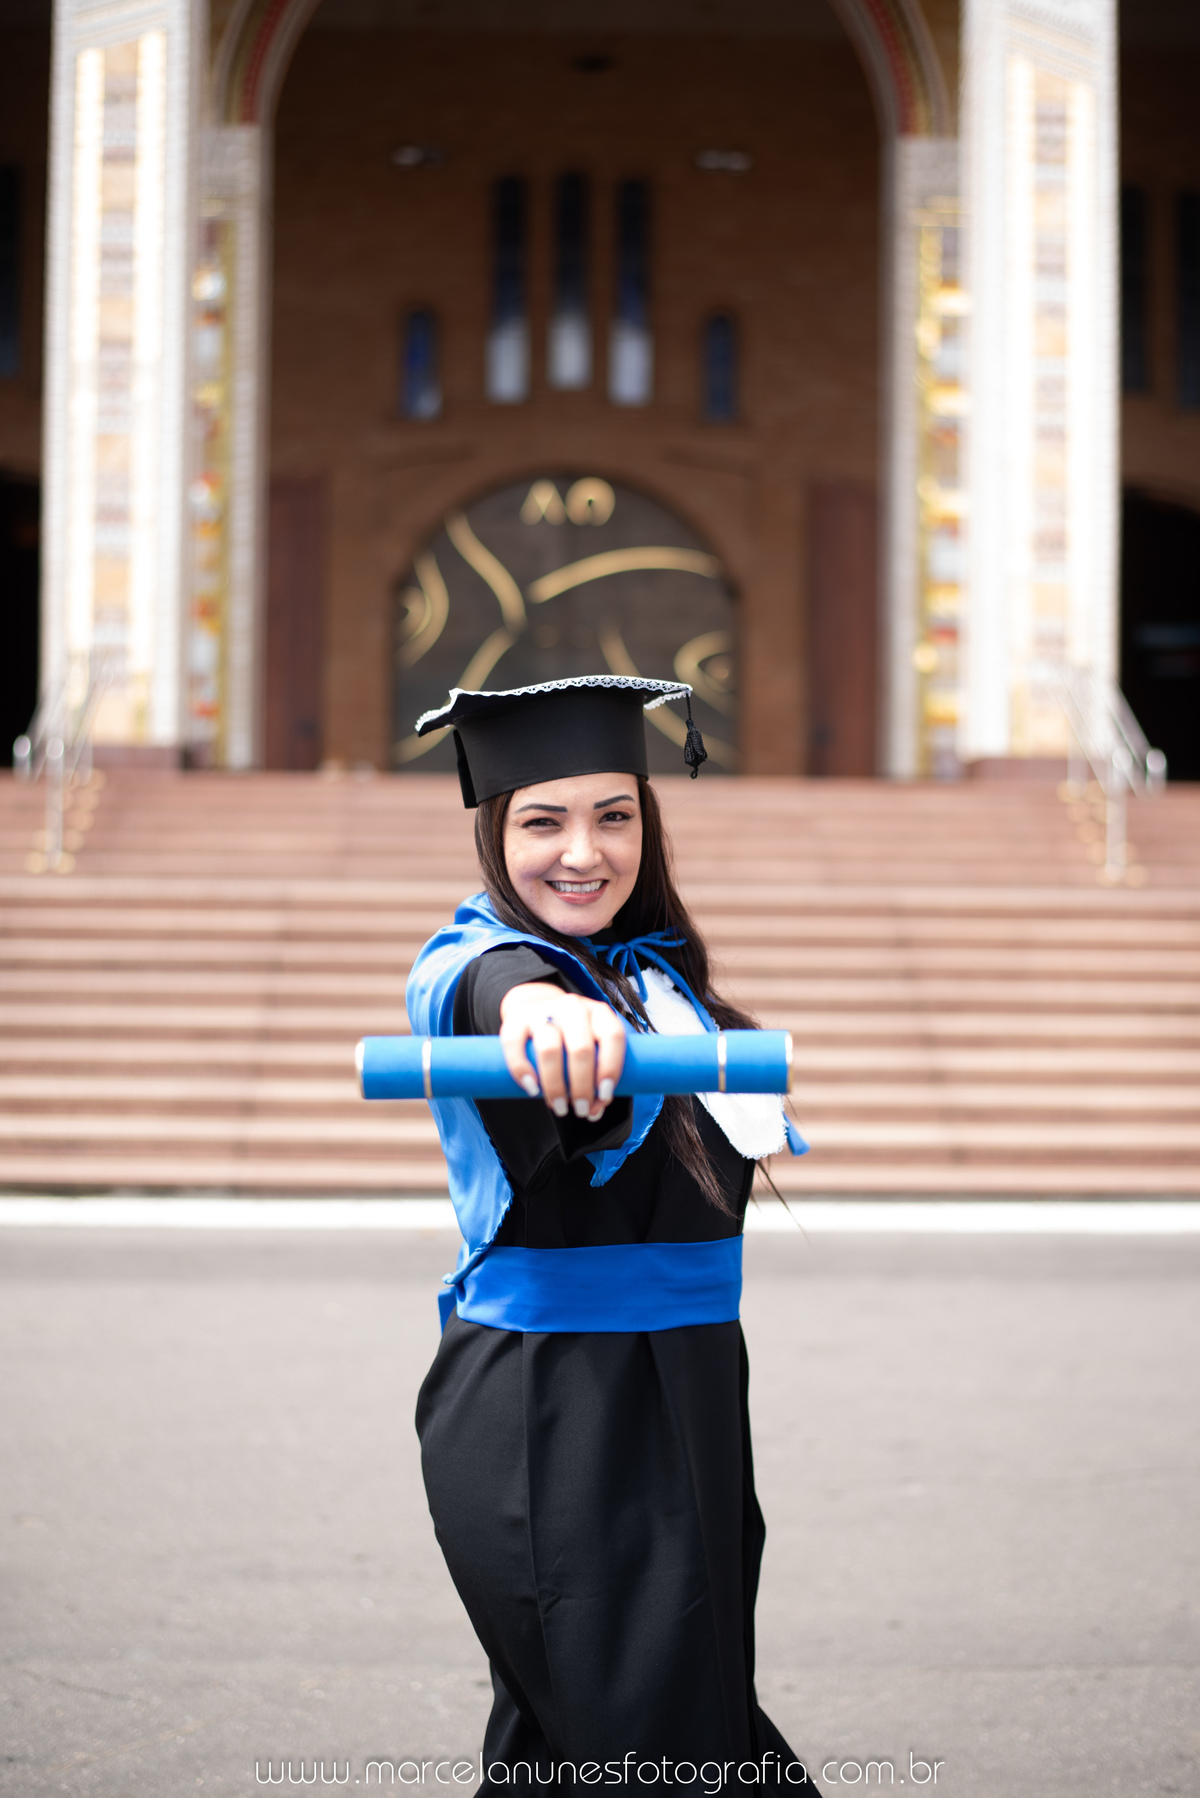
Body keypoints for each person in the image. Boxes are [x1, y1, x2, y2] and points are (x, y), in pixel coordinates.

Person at [406, 676, 817, 1795]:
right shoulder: (488, 968)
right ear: (494, 833)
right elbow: (479, 982)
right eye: (543, 820)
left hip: (686, 1399)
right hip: (558, 1413)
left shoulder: (660, 984)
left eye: (615, 814)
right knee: (665, 1753)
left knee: (585, 1751)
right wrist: (543, 1007)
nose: (584, 850)